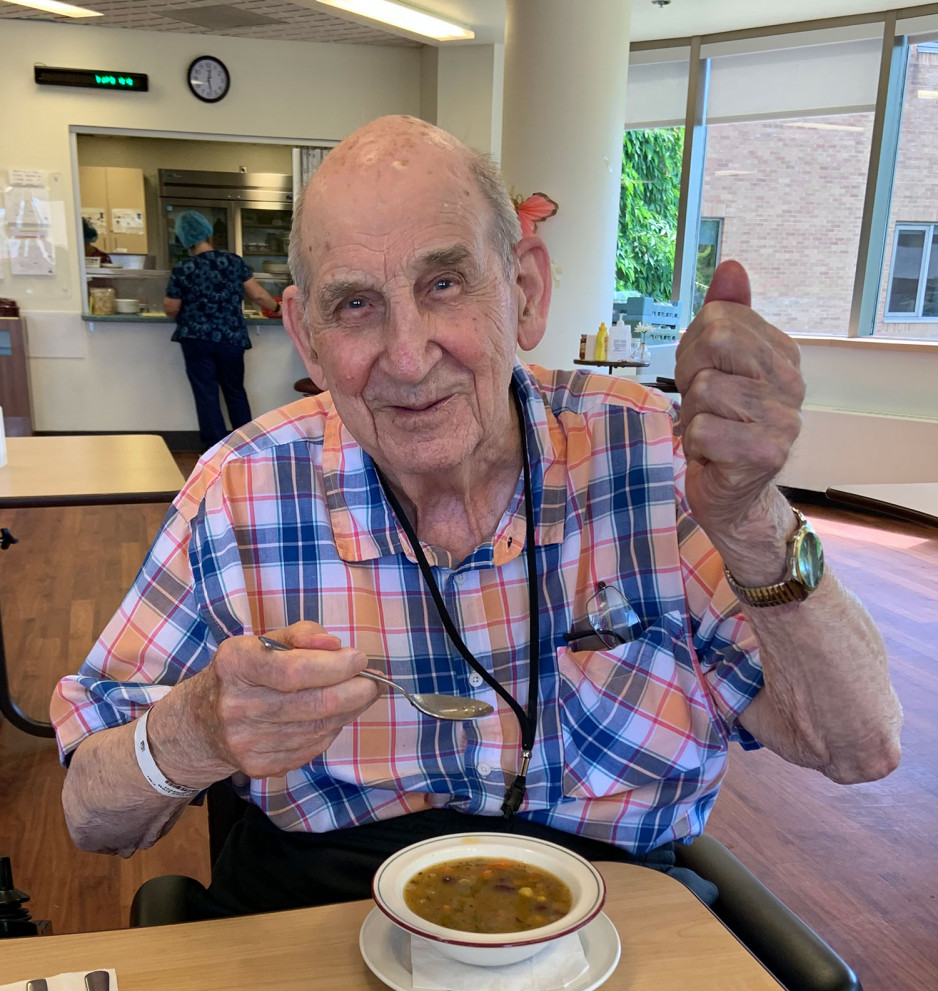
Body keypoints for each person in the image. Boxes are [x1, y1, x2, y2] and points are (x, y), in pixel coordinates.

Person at [52, 117, 901, 918]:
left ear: (525, 292)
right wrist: (193, 732)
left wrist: (750, 520)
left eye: (445, 283)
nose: (410, 355)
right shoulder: (240, 492)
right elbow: (93, 816)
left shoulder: (659, 460)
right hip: (319, 924)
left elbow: (859, 748)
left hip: (612, 932)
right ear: (307, 341)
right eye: (355, 305)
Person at [163, 211, 283, 450]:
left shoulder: (183, 268)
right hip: (230, 338)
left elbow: (171, 307)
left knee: (206, 395)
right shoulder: (233, 262)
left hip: (195, 339)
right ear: (209, 234)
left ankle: (214, 452)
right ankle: (247, 447)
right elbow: (258, 294)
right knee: (235, 391)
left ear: (184, 239)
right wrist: (278, 308)